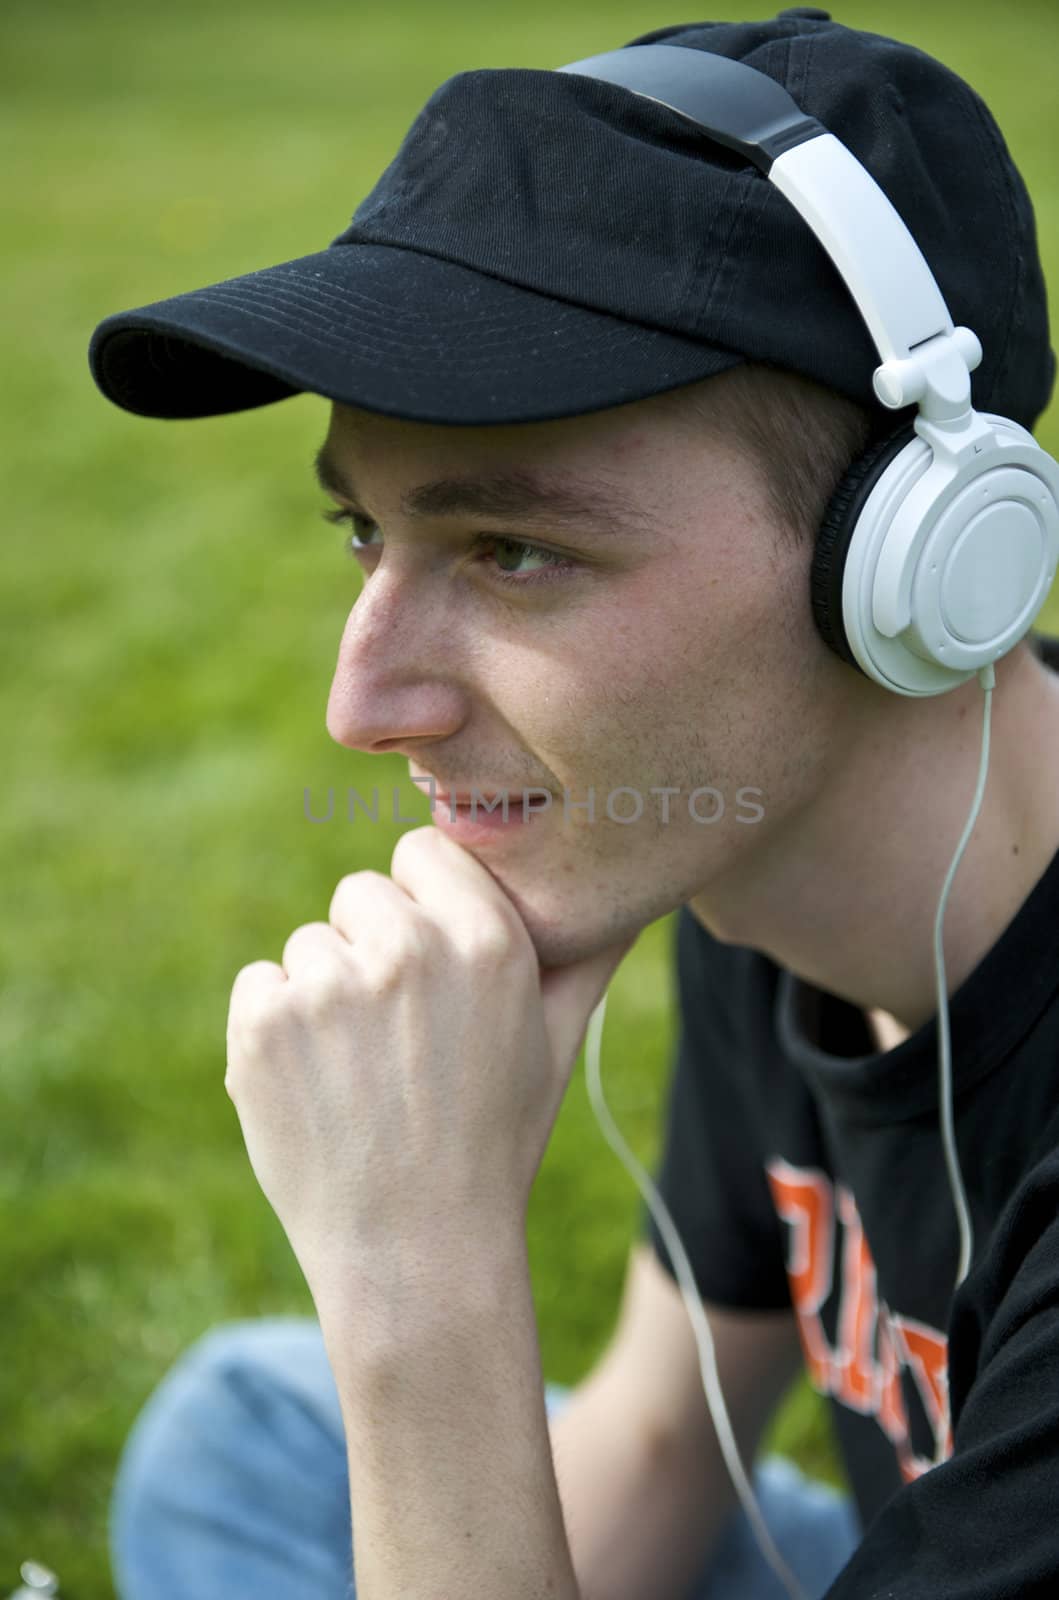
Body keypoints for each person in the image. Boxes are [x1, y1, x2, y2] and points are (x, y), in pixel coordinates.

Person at [88, 9, 1059, 1599]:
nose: (361, 707)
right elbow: (671, 1451)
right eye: (365, 535)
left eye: (512, 551)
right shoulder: (761, 872)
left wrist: (418, 1289)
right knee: (243, 1433)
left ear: (925, 563)